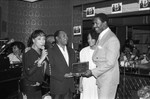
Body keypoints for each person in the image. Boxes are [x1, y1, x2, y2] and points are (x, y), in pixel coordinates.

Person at [81, 13, 120, 99]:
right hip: (102, 79)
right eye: (93, 23)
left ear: (104, 23)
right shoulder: (102, 36)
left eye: (97, 23)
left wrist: (92, 72)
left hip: (108, 80)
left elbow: (110, 63)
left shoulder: (111, 39)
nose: (94, 26)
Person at [48, 30, 76, 99]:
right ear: (57, 38)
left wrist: (77, 72)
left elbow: (74, 66)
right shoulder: (50, 51)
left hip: (70, 87)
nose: (66, 37)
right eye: (64, 36)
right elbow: (48, 70)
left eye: (67, 36)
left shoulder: (71, 51)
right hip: (58, 87)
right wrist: (62, 75)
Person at [21, 29, 49, 99]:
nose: (42, 42)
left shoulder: (41, 52)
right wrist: (41, 59)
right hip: (29, 88)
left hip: (38, 87)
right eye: (39, 39)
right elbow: (29, 72)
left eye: (44, 39)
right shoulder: (28, 51)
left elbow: (45, 71)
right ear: (33, 40)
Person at [79, 30, 98, 99]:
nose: (89, 40)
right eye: (88, 38)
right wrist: (80, 83)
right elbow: (81, 69)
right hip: (86, 81)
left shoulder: (101, 51)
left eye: (91, 38)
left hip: (97, 81)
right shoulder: (83, 51)